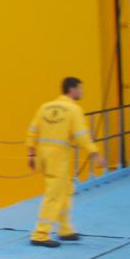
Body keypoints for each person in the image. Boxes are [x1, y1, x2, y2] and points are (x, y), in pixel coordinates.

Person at [25, 76, 104, 247]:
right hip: (58, 157)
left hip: (43, 155)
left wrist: (31, 154)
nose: (82, 92)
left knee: (66, 190)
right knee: (54, 195)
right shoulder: (73, 109)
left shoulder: (45, 107)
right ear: (72, 89)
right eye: (80, 88)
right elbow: (81, 136)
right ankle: (40, 234)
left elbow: (32, 130)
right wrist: (95, 153)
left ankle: (65, 229)